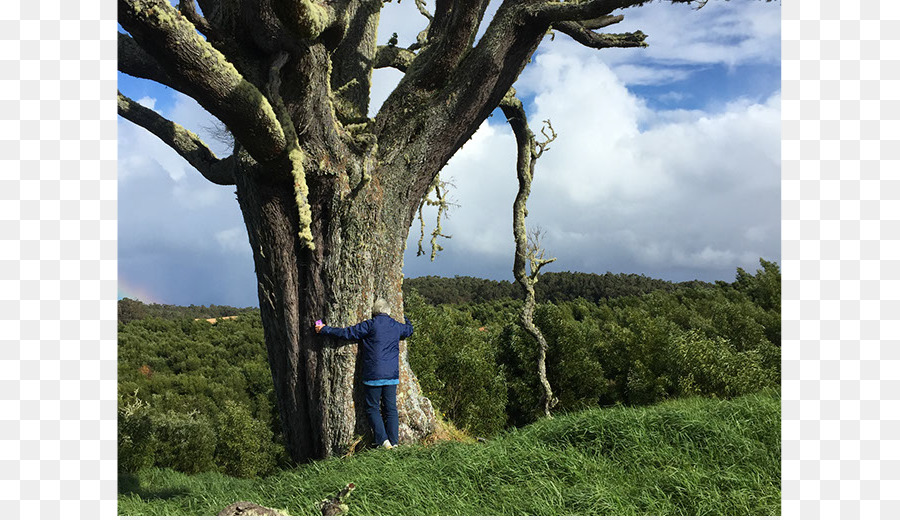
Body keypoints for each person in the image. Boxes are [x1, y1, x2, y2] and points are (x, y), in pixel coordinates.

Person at [315, 298, 413, 449]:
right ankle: (394, 443)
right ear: (388, 311)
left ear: (374, 312)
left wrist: (324, 329)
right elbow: (409, 330)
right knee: (391, 409)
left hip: (373, 375)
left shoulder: (370, 325)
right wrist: (405, 318)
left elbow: (347, 333)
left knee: (373, 408)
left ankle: (384, 442)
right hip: (391, 375)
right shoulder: (396, 326)